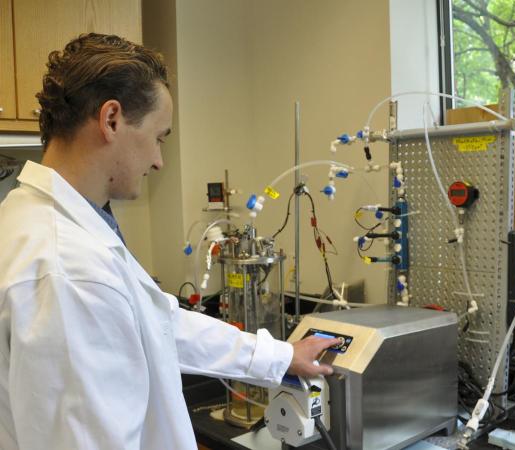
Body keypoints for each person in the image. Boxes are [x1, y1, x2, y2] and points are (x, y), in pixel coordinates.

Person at [0, 33, 337, 449]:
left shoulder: (39, 221)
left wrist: (282, 357)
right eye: (159, 137)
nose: (159, 160)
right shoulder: (70, 268)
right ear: (111, 120)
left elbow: (159, 323)